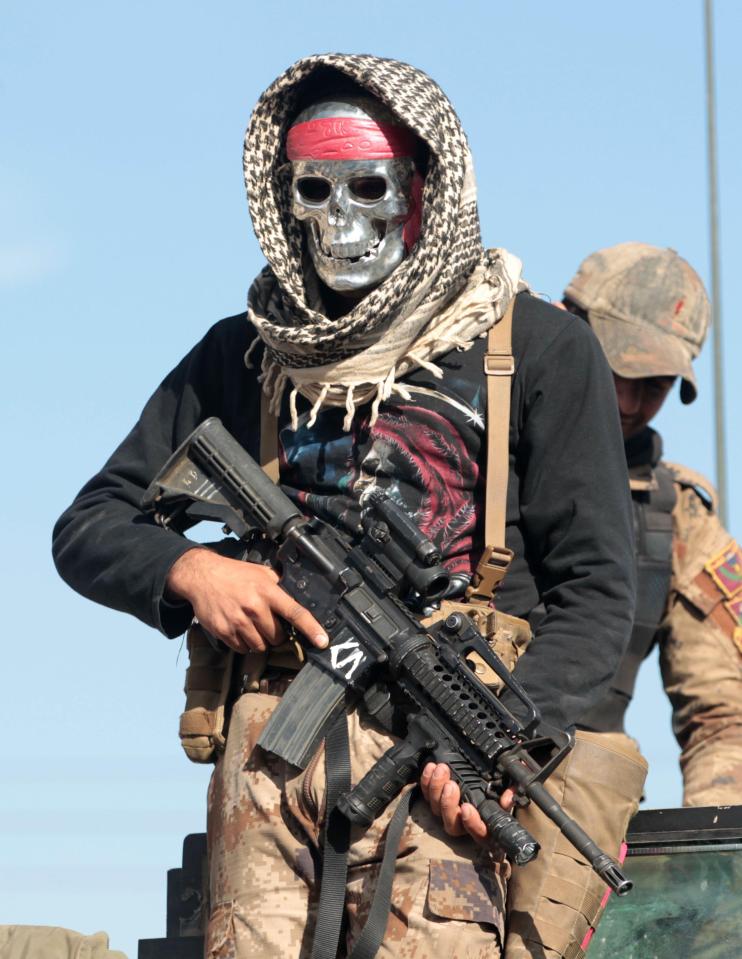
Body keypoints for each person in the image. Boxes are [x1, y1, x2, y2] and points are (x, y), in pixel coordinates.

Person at [52, 55, 638, 959]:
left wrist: (507, 741)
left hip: (440, 755)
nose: (342, 219)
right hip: (269, 767)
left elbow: (597, 589)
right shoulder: (241, 356)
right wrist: (190, 568)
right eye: (313, 189)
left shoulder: (538, 350)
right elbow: (91, 524)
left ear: (423, 189)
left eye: (368, 186)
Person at [562, 241, 742, 806]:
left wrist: (715, 874)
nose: (626, 400)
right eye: (613, 366)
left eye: (655, 384)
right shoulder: (471, 454)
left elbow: (721, 720)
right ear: (566, 325)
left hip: (579, 817)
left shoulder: (680, 520)